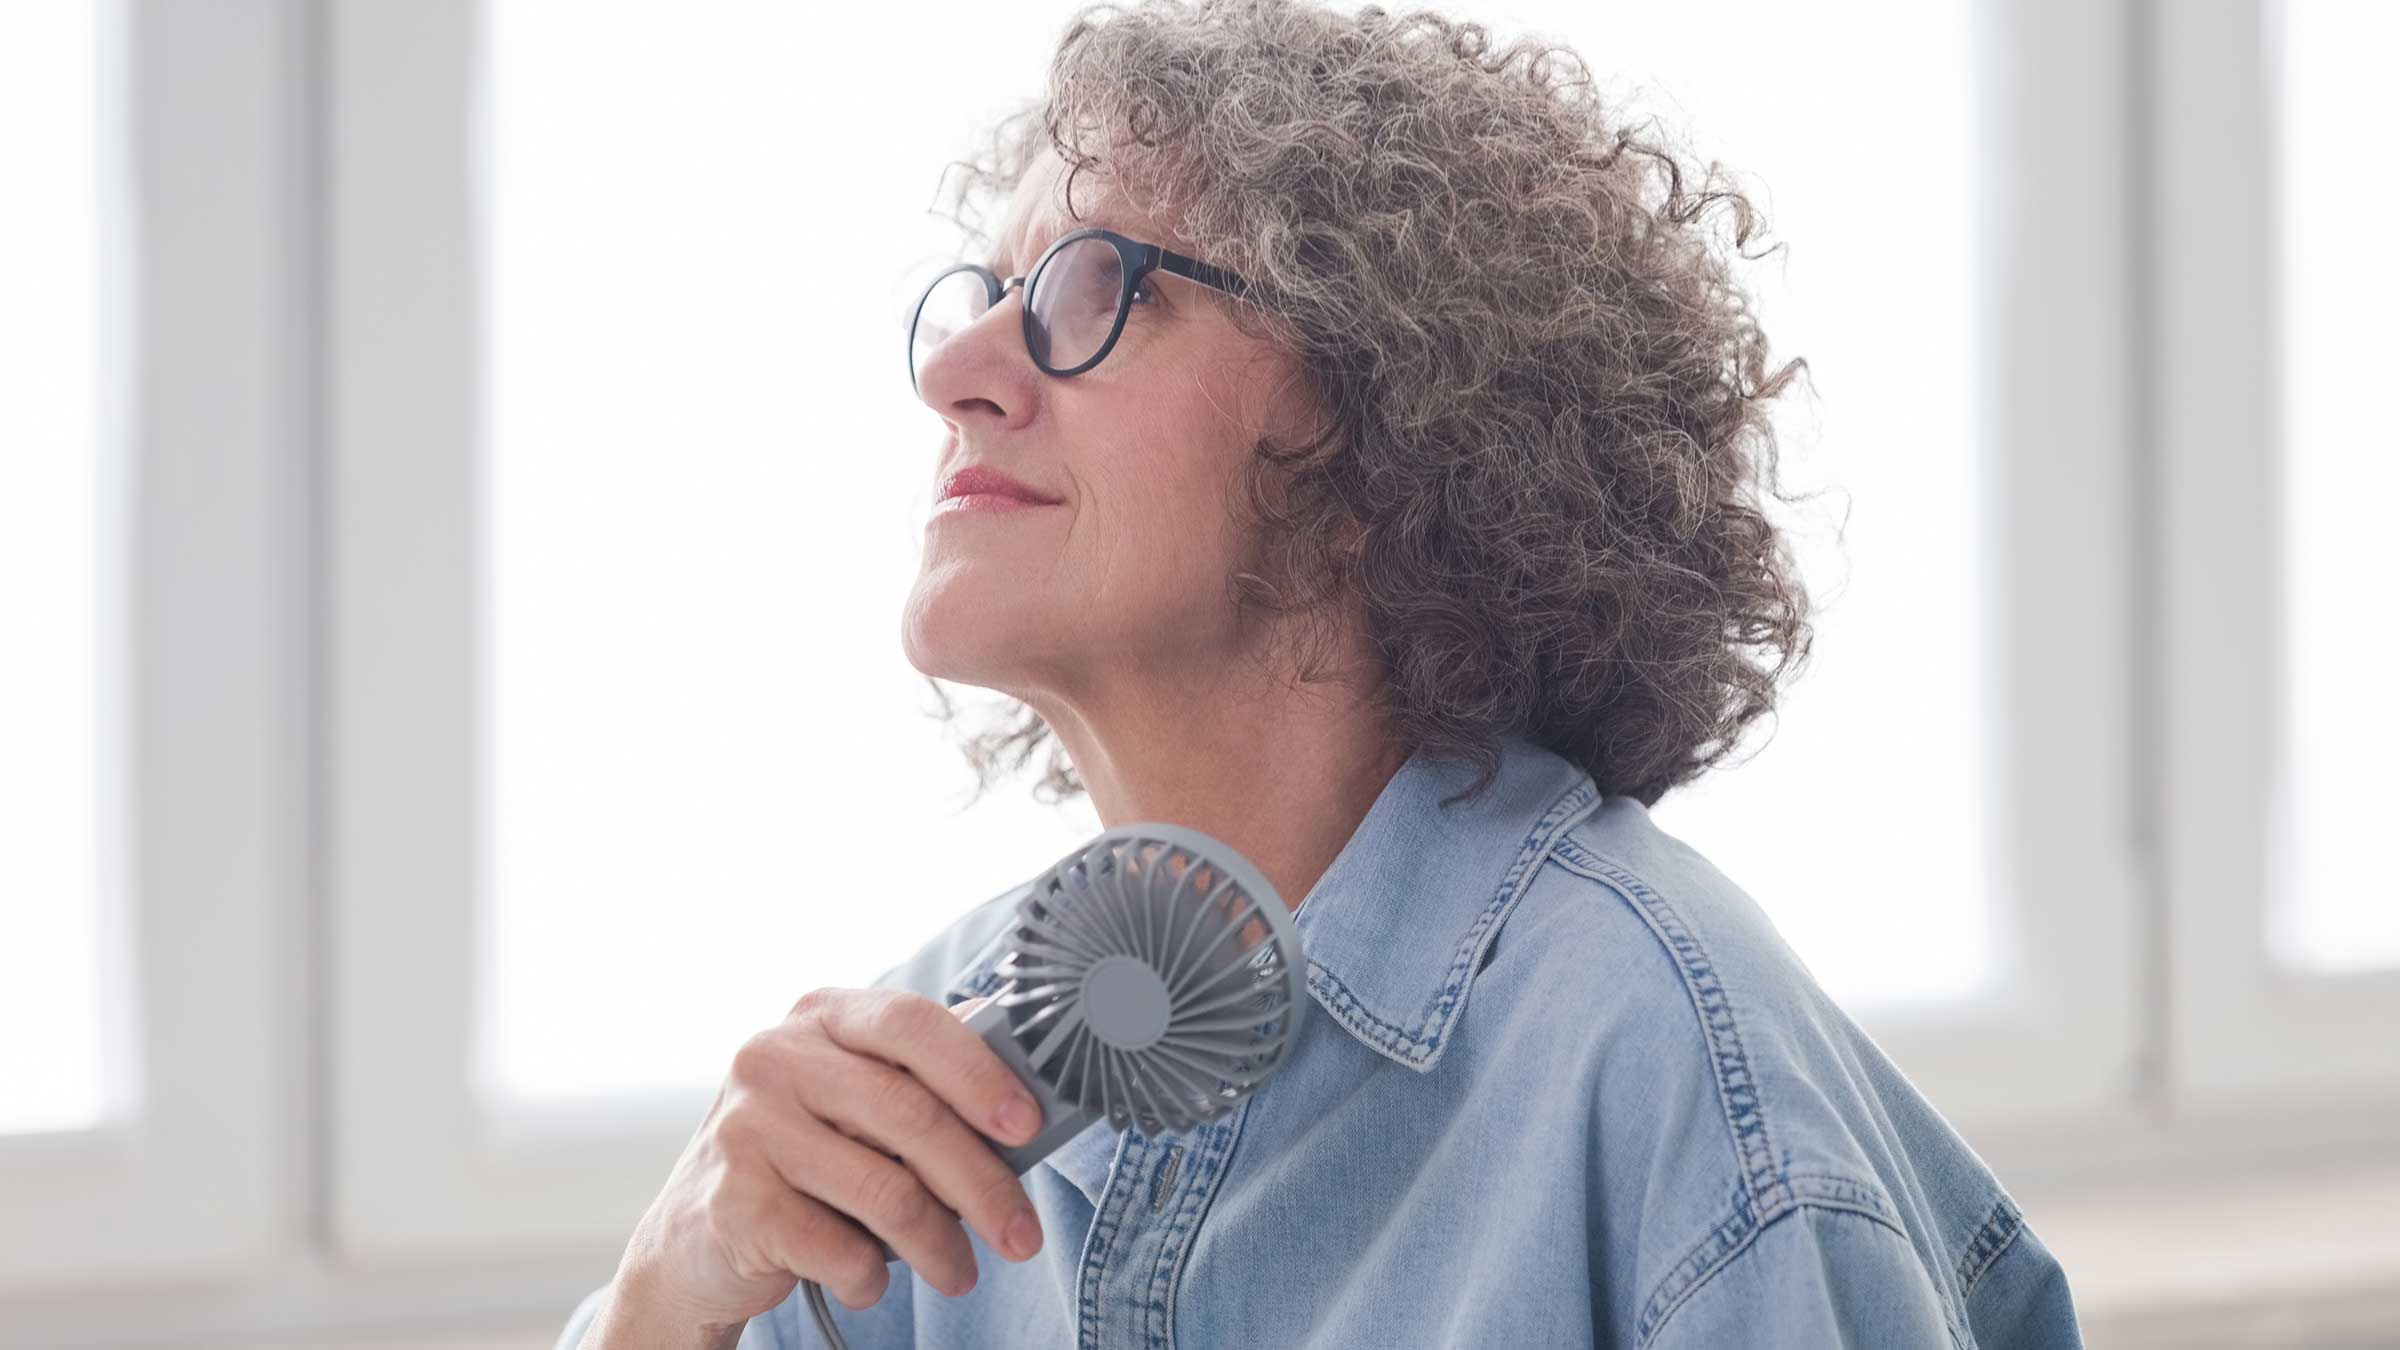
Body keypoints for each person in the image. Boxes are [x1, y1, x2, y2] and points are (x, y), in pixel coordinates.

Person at [555, 0, 2084, 1345]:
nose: (957, 373)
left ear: (1390, 417)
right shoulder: (902, 1087)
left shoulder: (1667, 1068)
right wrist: (663, 1302)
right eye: (983, 295)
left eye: (1098, 291)